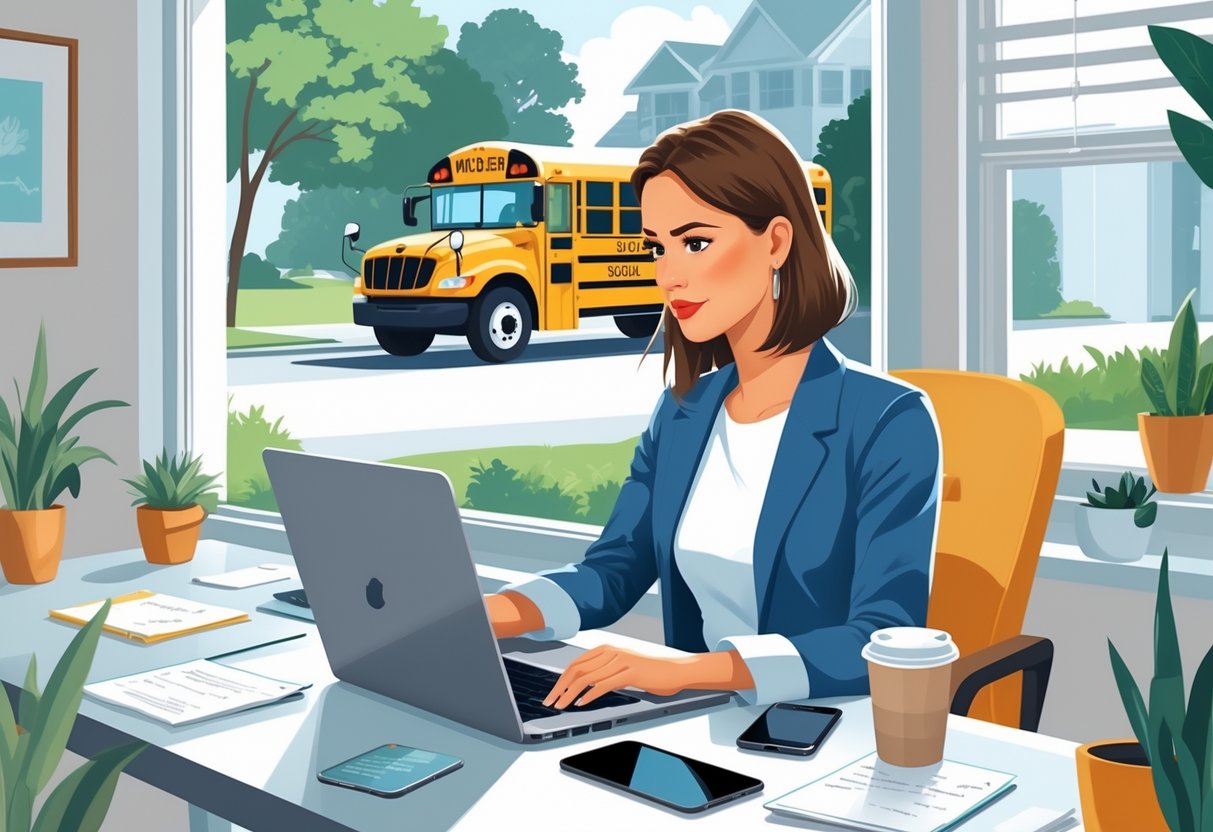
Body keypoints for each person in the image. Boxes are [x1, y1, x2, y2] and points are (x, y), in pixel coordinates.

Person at [485, 109, 942, 710]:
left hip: (824, 728)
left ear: (776, 241)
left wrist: (686, 673)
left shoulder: (888, 420)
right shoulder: (683, 414)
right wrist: (486, 614)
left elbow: (881, 638)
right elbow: (615, 568)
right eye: (656, 247)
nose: (668, 275)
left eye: (696, 242)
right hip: (694, 722)